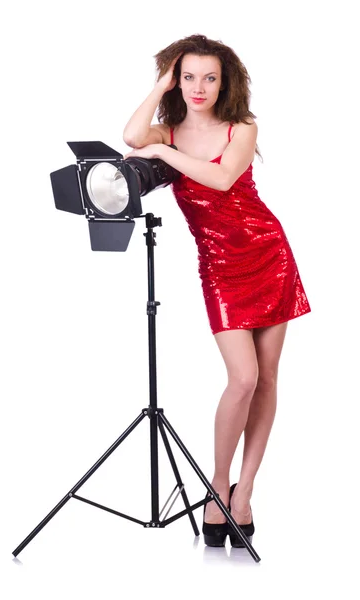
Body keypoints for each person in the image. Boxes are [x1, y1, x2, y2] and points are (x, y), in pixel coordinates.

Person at [123, 34, 311, 548]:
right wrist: (161, 85)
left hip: (268, 253)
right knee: (243, 378)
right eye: (188, 77)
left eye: (209, 77)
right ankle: (217, 487)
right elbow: (131, 135)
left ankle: (244, 493)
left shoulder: (241, 127)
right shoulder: (168, 130)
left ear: (224, 81)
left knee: (267, 379)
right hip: (221, 268)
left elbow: (224, 179)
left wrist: (166, 149)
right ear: (175, 80)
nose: (198, 87)